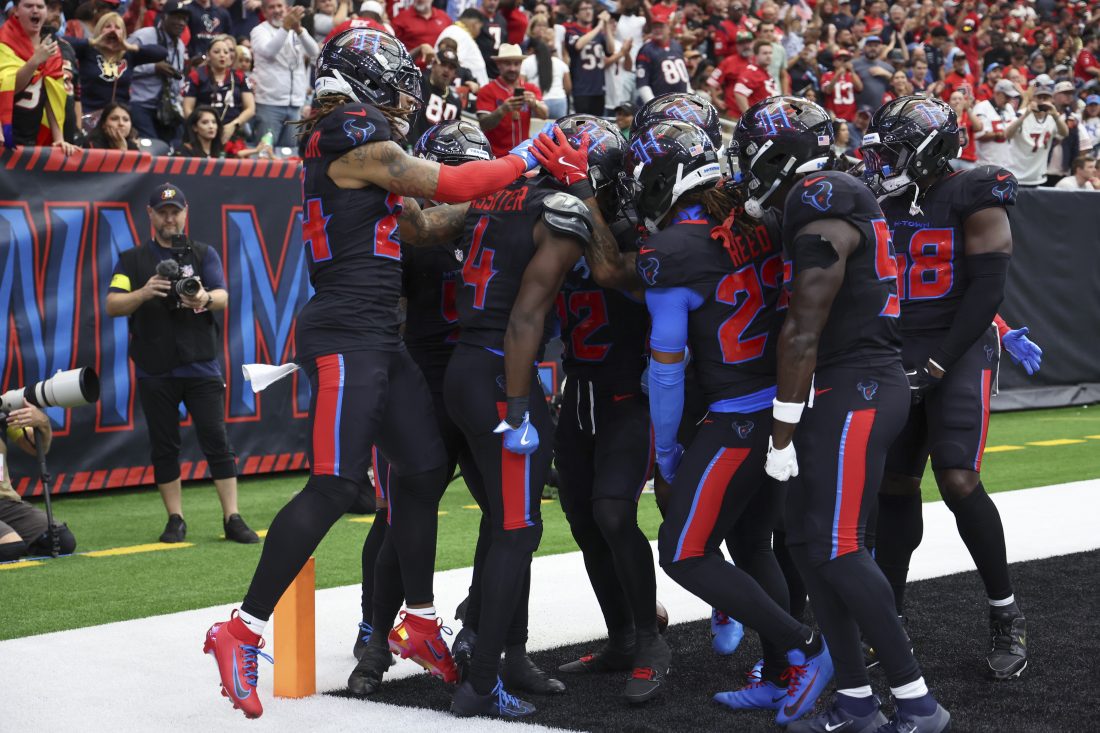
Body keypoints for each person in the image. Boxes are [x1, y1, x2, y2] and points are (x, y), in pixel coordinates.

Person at [202, 27, 547, 719]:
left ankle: (417, 620)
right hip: (345, 333)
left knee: (420, 468)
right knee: (334, 485)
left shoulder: (357, 146)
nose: (403, 96)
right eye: (391, 80)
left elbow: (423, 224)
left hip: (375, 337)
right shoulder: (350, 136)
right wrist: (524, 160)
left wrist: (500, 200)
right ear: (361, 80)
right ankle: (239, 628)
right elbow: (448, 179)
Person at [610, 118, 836, 724]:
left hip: (736, 415)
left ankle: (808, 650)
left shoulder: (668, 254)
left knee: (683, 551)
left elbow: (665, 369)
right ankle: (782, 672)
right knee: (753, 545)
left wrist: (663, 454)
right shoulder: (754, 217)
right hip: (785, 404)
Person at [739, 96, 949, 733]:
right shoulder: (823, 194)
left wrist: (781, 428)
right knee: (807, 545)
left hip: (852, 385)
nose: (746, 161)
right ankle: (856, 700)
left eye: (754, 149)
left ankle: (916, 701)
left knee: (836, 545)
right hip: (842, 385)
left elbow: (803, 328)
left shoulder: (823, 195)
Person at [861, 95, 1028, 683]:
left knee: (957, 480)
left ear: (931, 147)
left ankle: (1005, 613)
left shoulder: (976, 190)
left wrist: (934, 365)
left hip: (958, 348)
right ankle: (889, 621)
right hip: (898, 349)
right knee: (894, 485)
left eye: (898, 147)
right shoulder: (879, 193)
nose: (884, 158)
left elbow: (986, 294)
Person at [443, 124, 596, 718]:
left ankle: (495, 646)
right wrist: (516, 406)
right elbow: (524, 321)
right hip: (498, 374)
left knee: (512, 528)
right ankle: (480, 683)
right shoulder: (558, 209)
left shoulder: (493, 196)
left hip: (466, 365)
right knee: (515, 532)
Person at [534, 115, 664, 704]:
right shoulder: (551, 225)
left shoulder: (637, 230)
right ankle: (620, 636)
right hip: (579, 390)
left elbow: (628, 282)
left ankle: (651, 641)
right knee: (585, 523)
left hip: (629, 393)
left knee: (614, 514)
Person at [105, 182, 258, 546]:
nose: (169, 217)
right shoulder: (131, 260)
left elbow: (221, 295)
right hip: (154, 365)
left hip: (200, 362)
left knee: (216, 440)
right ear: (151, 215)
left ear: (185, 213)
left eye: (175, 211)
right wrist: (145, 291)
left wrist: (202, 295)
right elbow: (112, 303)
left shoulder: (203, 254)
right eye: (162, 211)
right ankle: (175, 519)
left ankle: (232, 517)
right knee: (164, 444)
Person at [0, 405, 77, 560]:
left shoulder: (3, 411)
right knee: (9, 547)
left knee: (61, 541)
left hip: (4, 502)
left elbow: (37, 447)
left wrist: (42, 422)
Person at [0, 0, 75, 152]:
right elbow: (7, 89)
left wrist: (59, 139)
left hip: (32, 140)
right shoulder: (3, 43)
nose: (35, 10)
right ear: (15, 11)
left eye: (40, 7)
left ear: (45, 12)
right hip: (5, 134)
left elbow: (52, 96)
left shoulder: (51, 49)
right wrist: (34, 62)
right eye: (28, 6)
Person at [67, 11, 168, 117]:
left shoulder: (129, 55)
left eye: (117, 28)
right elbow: (62, 43)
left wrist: (130, 47)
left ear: (123, 33)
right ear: (99, 30)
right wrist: (93, 42)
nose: (113, 30)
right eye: (108, 26)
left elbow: (162, 53)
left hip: (118, 118)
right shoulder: (88, 51)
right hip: (88, 116)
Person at [250, 0, 318, 148]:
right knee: (264, 154)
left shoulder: (296, 31)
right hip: (269, 103)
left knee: (289, 155)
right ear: (264, 11)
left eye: (280, 6)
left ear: (286, 9)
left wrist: (299, 29)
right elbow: (269, 52)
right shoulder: (259, 31)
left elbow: (314, 53)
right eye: (271, 7)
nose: (277, 10)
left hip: (295, 104)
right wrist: (286, 26)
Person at [128, 0, 188, 144]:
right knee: (152, 148)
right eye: (176, 17)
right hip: (140, 104)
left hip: (167, 108)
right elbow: (120, 66)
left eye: (184, 19)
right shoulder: (143, 36)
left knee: (176, 149)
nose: (181, 22)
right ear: (164, 16)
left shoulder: (179, 44)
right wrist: (153, 68)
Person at [476, 43, 546, 157]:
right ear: (498, 65)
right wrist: (502, 110)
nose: (512, 68)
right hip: (495, 156)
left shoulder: (530, 88)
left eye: (516, 64)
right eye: (508, 64)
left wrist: (535, 104)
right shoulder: (487, 90)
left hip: (523, 156)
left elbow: (545, 114)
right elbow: (484, 124)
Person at [182, 34, 255, 144]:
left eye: (226, 52)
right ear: (208, 55)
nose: (222, 55)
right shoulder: (197, 75)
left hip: (232, 132)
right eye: (217, 52)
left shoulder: (240, 77)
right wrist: (197, 128)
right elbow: (187, 108)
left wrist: (234, 125)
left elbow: (250, 109)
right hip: (201, 134)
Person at [1005, 81, 1068, 187]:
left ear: (1051, 100)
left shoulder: (1053, 117)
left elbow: (1064, 133)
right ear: (1033, 99)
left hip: (1037, 176)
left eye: (1046, 98)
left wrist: (1055, 115)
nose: (1042, 101)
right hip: (1015, 174)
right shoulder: (1022, 113)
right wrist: (1025, 115)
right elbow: (1007, 135)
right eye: (1039, 97)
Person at [562, 0, 608, 115]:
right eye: (584, 9)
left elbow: (611, 50)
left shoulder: (598, 34)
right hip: (581, 89)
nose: (588, 12)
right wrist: (599, 26)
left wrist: (606, 26)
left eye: (590, 8)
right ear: (576, 14)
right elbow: (578, 45)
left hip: (598, 89)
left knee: (598, 127)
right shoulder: (571, 31)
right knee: (581, 125)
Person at [519, 15, 569, 120]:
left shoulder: (527, 62)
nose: (542, 28)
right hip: (557, 100)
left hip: (538, 102)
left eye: (544, 25)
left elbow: (521, 84)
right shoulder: (526, 49)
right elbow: (568, 87)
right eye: (538, 25)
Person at [408, 49, 461, 145]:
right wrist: (419, 49)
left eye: (451, 67)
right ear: (433, 65)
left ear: (455, 73)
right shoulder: (420, 82)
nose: (446, 70)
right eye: (443, 64)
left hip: (435, 153)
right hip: (411, 144)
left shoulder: (456, 101)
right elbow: (404, 65)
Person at [635, 18, 688, 103]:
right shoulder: (646, 50)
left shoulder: (676, 45)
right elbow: (642, 83)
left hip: (681, 101)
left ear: (668, 28)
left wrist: (689, 93)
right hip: (661, 102)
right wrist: (653, 105)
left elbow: (684, 76)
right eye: (655, 27)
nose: (657, 30)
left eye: (661, 27)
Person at [973, 79, 1020, 169]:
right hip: (985, 164)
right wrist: (998, 134)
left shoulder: (1009, 107)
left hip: (1006, 164)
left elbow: (1014, 131)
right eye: (1007, 96)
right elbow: (979, 135)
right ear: (997, 93)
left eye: (1011, 97)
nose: (1009, 100)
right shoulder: (982, 107)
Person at [392, 0, 451, 68]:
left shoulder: (444, 17)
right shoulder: (401, 18)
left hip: (438, 70)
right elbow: (393, 47)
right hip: (411, 69)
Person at [436, 8, 488, 86]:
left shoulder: (457, 31)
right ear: (476, 24)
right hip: (465, 89)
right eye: (480, 28)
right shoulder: (458, 33)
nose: (479, 32)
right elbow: (451, 62)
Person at [731, 39, 781, 113]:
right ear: (756, 55)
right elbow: (739, 93)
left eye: (770, 53)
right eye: (765, 53)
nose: (768, 56)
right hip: (758, 119)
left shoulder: (765, 72)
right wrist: (748, 117)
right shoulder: (751, 72)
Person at [852, 35, 893, 112]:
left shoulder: (888, 68)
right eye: (870, 46)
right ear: (864, 48)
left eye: (876, 46)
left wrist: (887, 74)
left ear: (880, 48)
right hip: (859, 111)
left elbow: (897, 87)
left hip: (881, 110)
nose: (873, 48)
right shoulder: (854, 64)